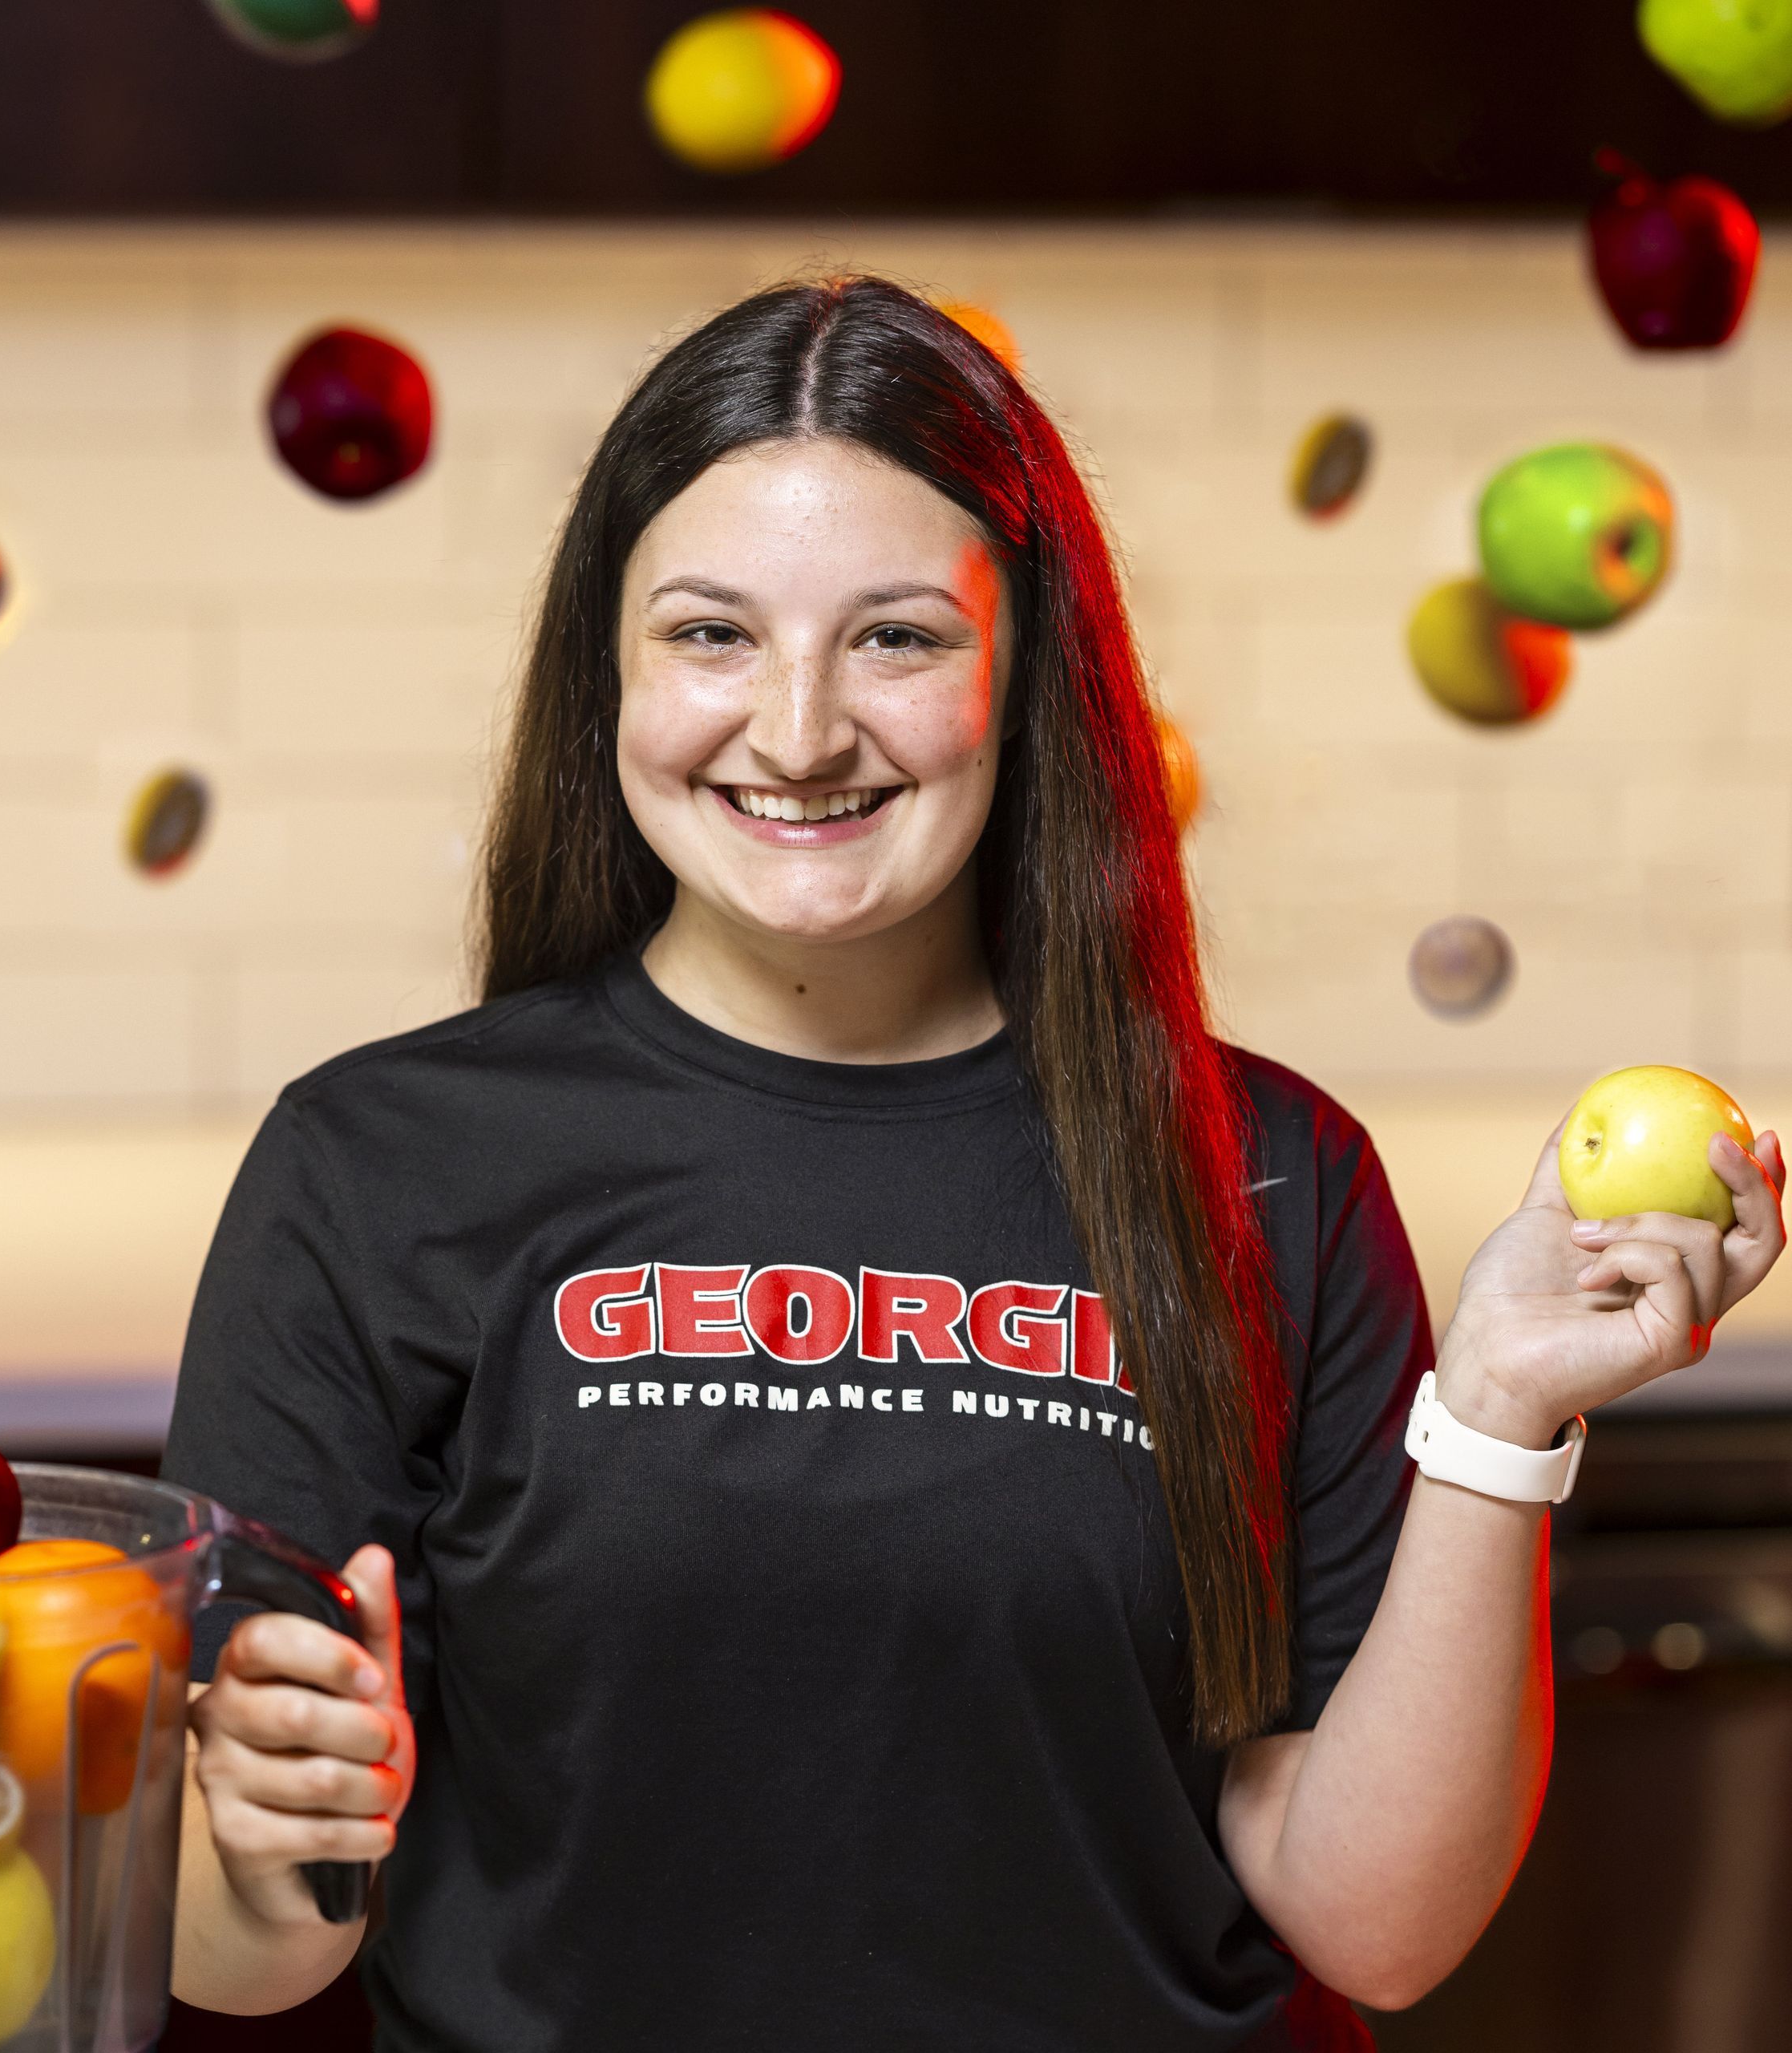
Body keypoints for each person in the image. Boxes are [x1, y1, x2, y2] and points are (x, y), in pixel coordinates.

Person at [161, 276, 1786, 2050]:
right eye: (709, 634)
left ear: (1024, 680)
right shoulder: (375, 1164)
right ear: (604, 674)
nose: (793, 731)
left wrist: (1495, 1415)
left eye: (896, 638)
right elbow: (247, 1952)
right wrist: (258, 1843)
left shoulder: (1267, 1174)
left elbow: (1374, 1928)